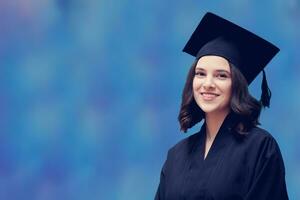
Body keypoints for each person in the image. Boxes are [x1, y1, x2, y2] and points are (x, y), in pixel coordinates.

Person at [155, 12, 289, 200]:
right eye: (200, 73)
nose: (207, 83)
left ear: (237, 84)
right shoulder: (176, 155)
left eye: (221, 75)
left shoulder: (260, 148)